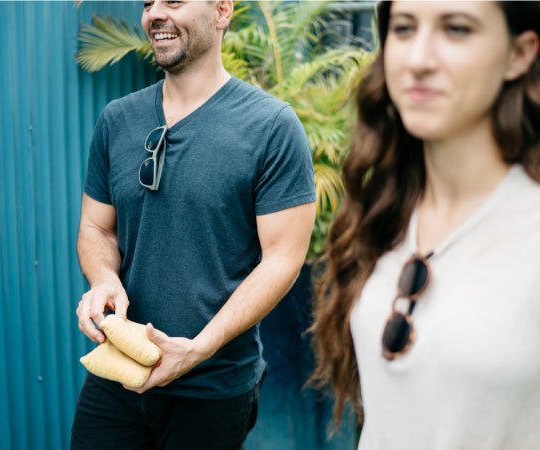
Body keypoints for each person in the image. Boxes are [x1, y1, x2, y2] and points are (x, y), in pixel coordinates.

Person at [70, 1, 317, 449]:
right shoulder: (116, 120)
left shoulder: (271, 127)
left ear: (222, 11)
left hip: (213, 388)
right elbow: (97, 229)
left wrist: (200, 347)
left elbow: (283, 258)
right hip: (118, 375)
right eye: (148, 4)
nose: (154, 15)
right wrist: (103, 278)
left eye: (174, 2)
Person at [309, 1, 540, 449]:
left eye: (456, 29)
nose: (418, 60)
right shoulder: (383, 211)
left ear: (520, 54)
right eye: (404, 28)